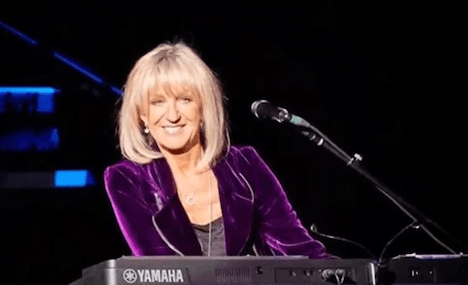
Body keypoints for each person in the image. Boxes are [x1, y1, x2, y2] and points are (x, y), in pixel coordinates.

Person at [104, 41, 331, 258]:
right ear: (142, 115)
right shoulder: (126, 179)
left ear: (203, 109)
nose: (172, 116)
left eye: (185, 100)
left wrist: (343, 276)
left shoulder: (245, 164)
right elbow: (160, 271)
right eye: (158, 102)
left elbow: (299, 247)